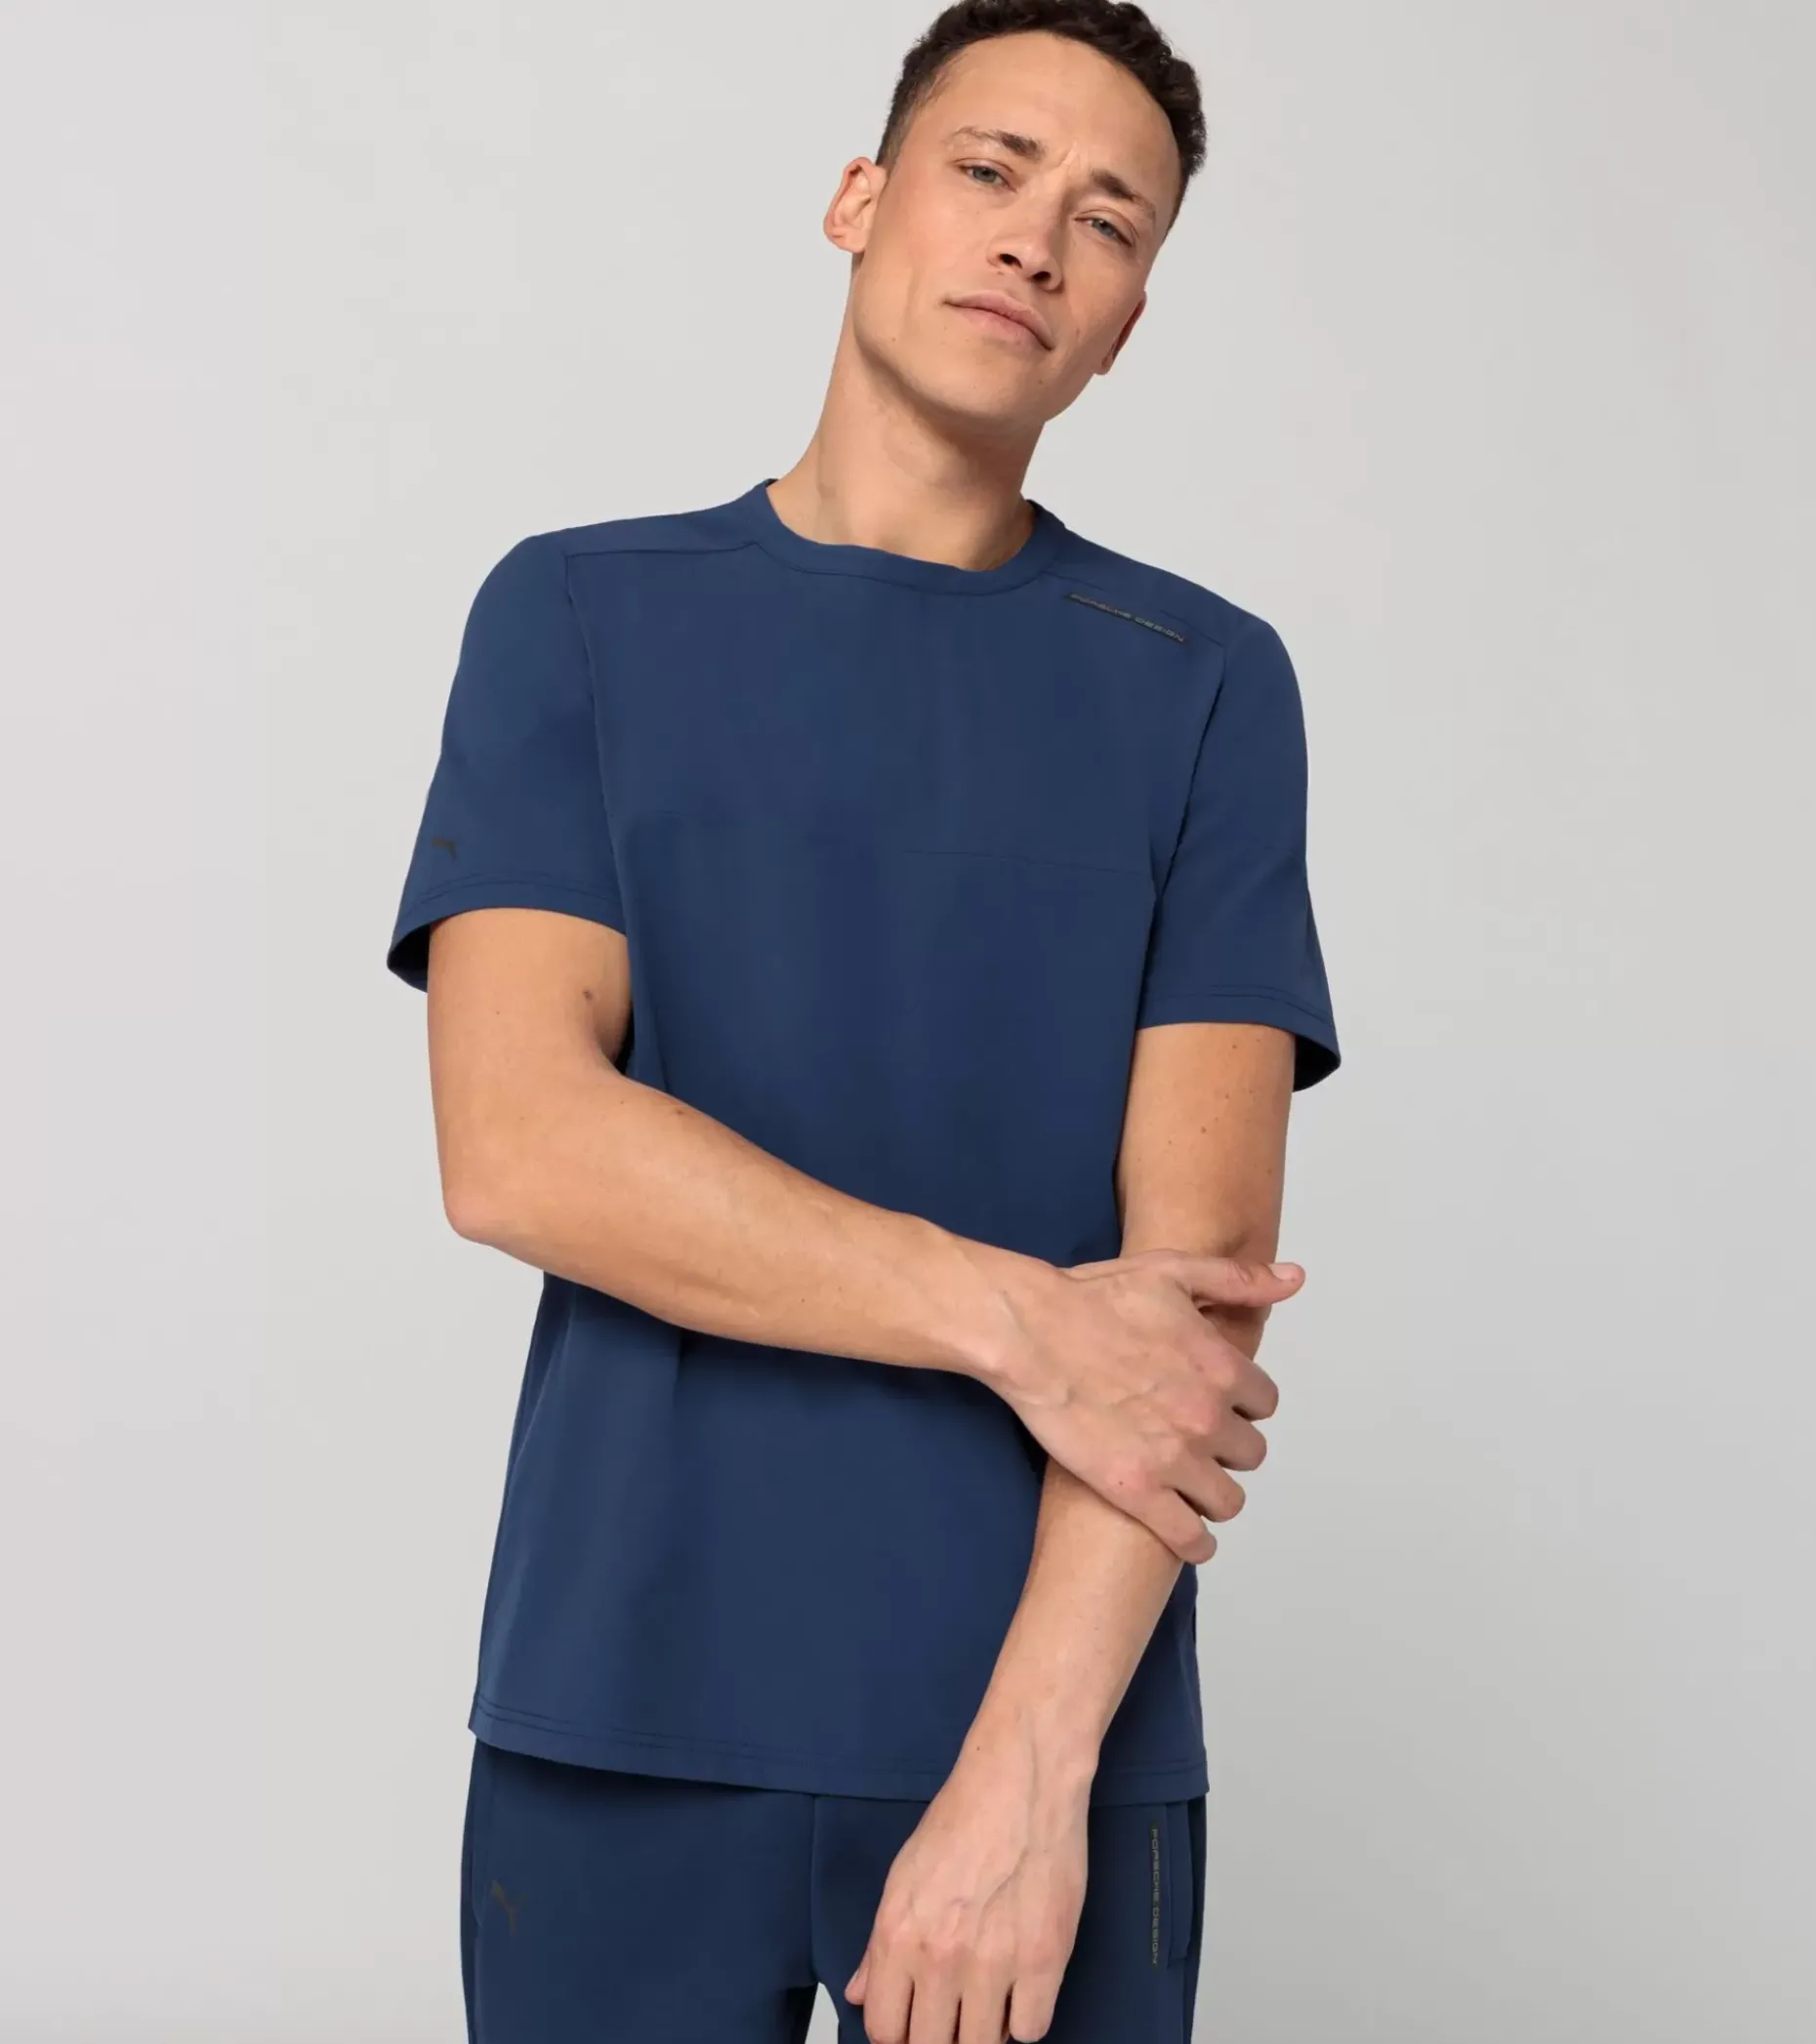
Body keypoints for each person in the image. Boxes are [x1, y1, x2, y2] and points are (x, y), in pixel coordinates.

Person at [384, 3, 1341, 2037]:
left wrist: (1030, 1777)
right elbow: (520, 1147)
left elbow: (1194, 1289)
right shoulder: (577, 614)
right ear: (860, 199)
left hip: (1051, 1735)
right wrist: (1020, 1319)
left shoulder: (1203, 685)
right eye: (991, 170)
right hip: (624, 1707)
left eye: (1108, 221)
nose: (1035, 240)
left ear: (1126, 322)